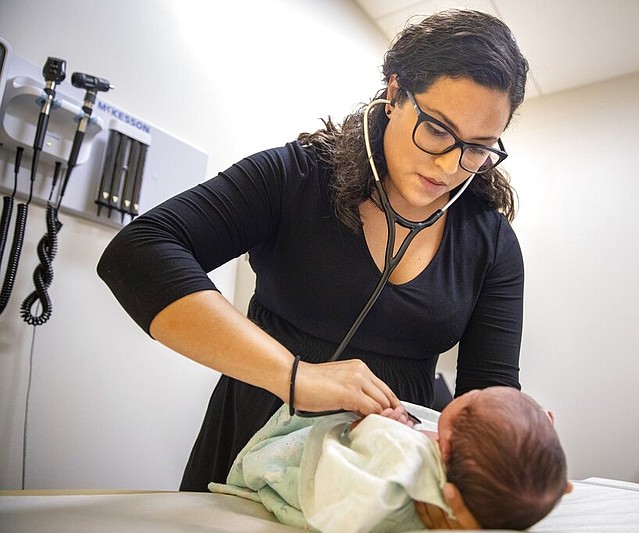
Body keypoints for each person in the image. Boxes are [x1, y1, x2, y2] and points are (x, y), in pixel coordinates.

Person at [97, 8, 529, 528]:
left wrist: (512, 452)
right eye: (437, 130)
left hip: (389, 482)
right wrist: (294, 376)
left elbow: (490, 396)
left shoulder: (491, 243)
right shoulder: (296, 177)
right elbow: (139, 253)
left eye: (477, 148)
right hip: (255, 453)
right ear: (394, 94)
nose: (449, 165)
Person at [210, 387, 571, 531]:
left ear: (446, 446)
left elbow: (372, 453)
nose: (474, 392)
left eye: (474, 395)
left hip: (313, 472)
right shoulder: (469, 464)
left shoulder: (403, 458)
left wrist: (376, 428)